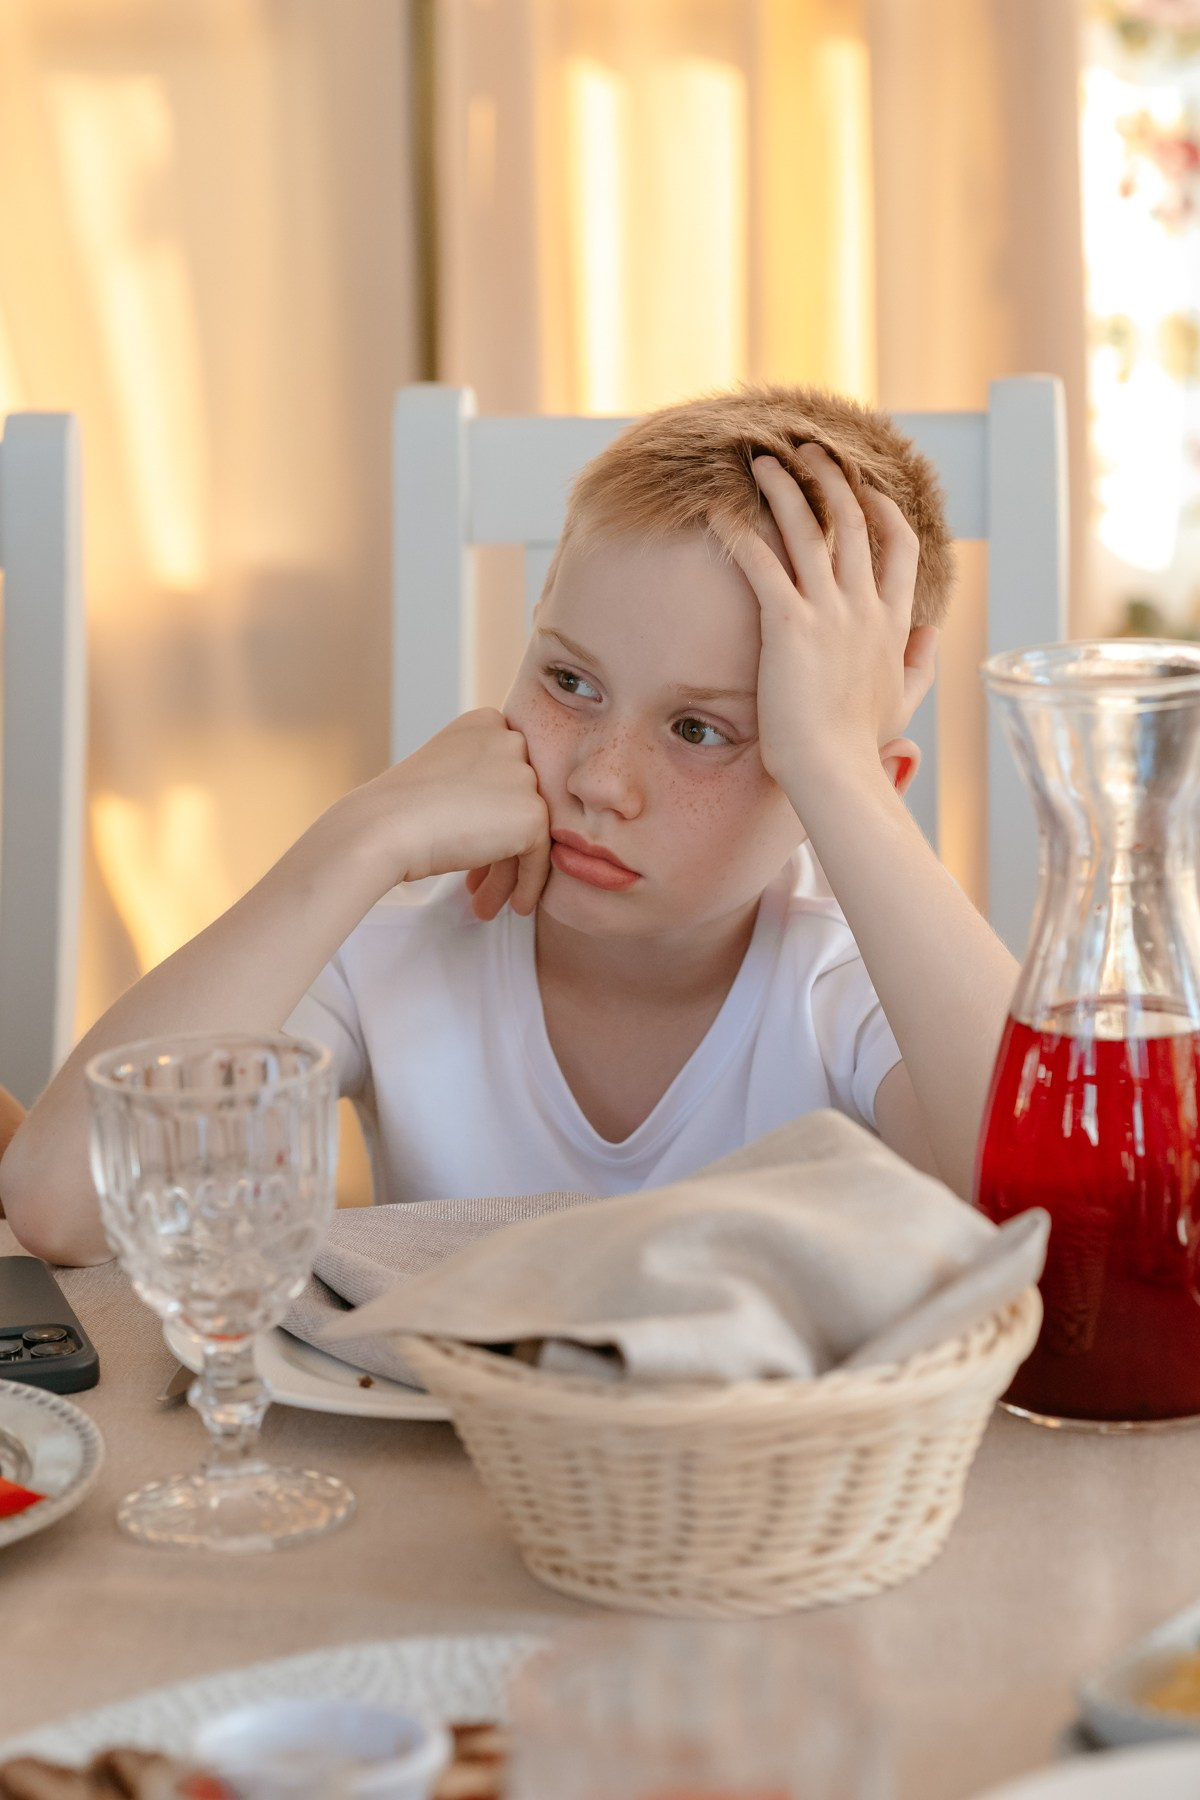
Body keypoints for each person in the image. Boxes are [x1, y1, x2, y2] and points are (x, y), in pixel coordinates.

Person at [1, 384, 1018, 1266]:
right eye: (570, 680)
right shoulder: (396, 947)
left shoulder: (842, 984)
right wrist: (358, 840)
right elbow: (62, 1205)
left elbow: (1068, 1221)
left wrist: (839, 775)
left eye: (703, 729)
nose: (600, 779)